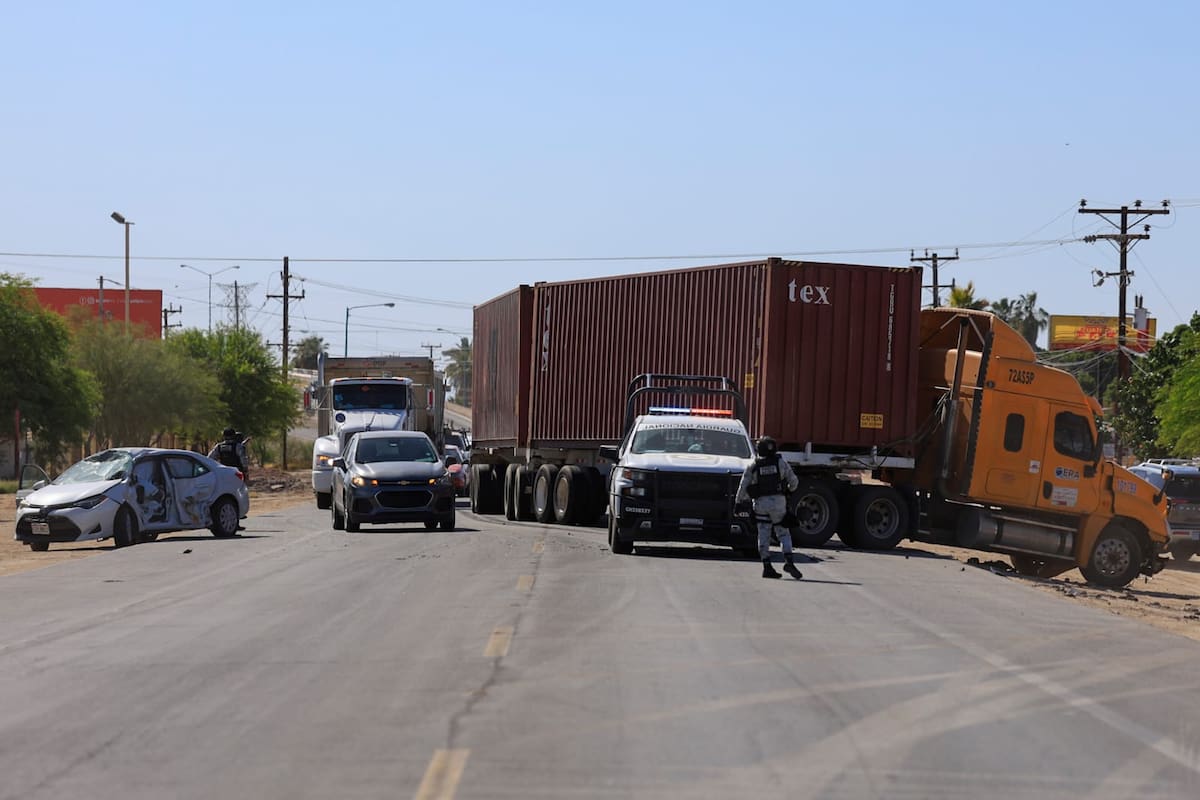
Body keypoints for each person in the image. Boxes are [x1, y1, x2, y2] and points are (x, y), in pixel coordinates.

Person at [736, 436, 803, 579]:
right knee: (783, 533)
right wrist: (788, 491)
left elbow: (743, 485)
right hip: (778, 504)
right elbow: (794, 482)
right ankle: (789, 561)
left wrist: (738, 502)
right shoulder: (780, 463)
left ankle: (767, 567)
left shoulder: (753, 465)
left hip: (760, 504)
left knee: (763, 534)